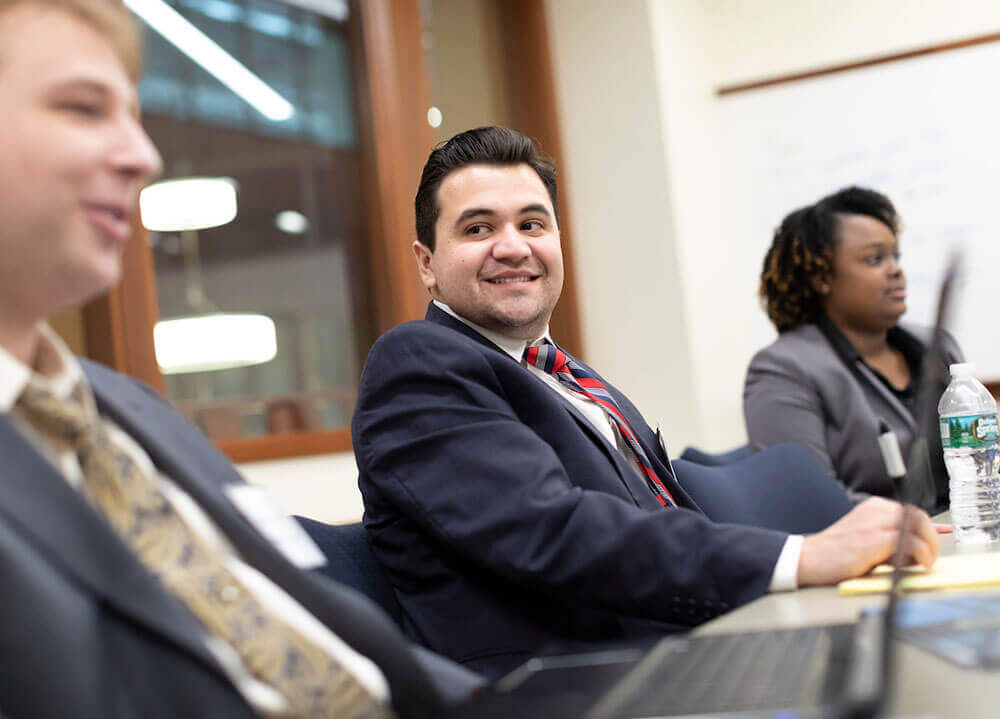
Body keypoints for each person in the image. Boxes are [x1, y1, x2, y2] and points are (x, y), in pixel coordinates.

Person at [0, 0, 472, 716]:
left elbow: (334, 641)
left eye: (135, 115)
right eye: (83, 108)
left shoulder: (127, 409)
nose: (142, 155)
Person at [351, 127, 941, 680]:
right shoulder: (418, 364)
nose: (512, 247)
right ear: (427, 263)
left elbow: (665, 525)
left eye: (533, 224)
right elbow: (556, 532)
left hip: (680, 653)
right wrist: (800, 557)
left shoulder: (568, 374)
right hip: (573, 686)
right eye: (478, 229)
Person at [744, 187, 962, 509]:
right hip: (882, 552)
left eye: (895, 256)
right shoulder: (783, 369)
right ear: (822, 277)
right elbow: (808, 502)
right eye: (876, 259)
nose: (896, 270)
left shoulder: (936, 347)